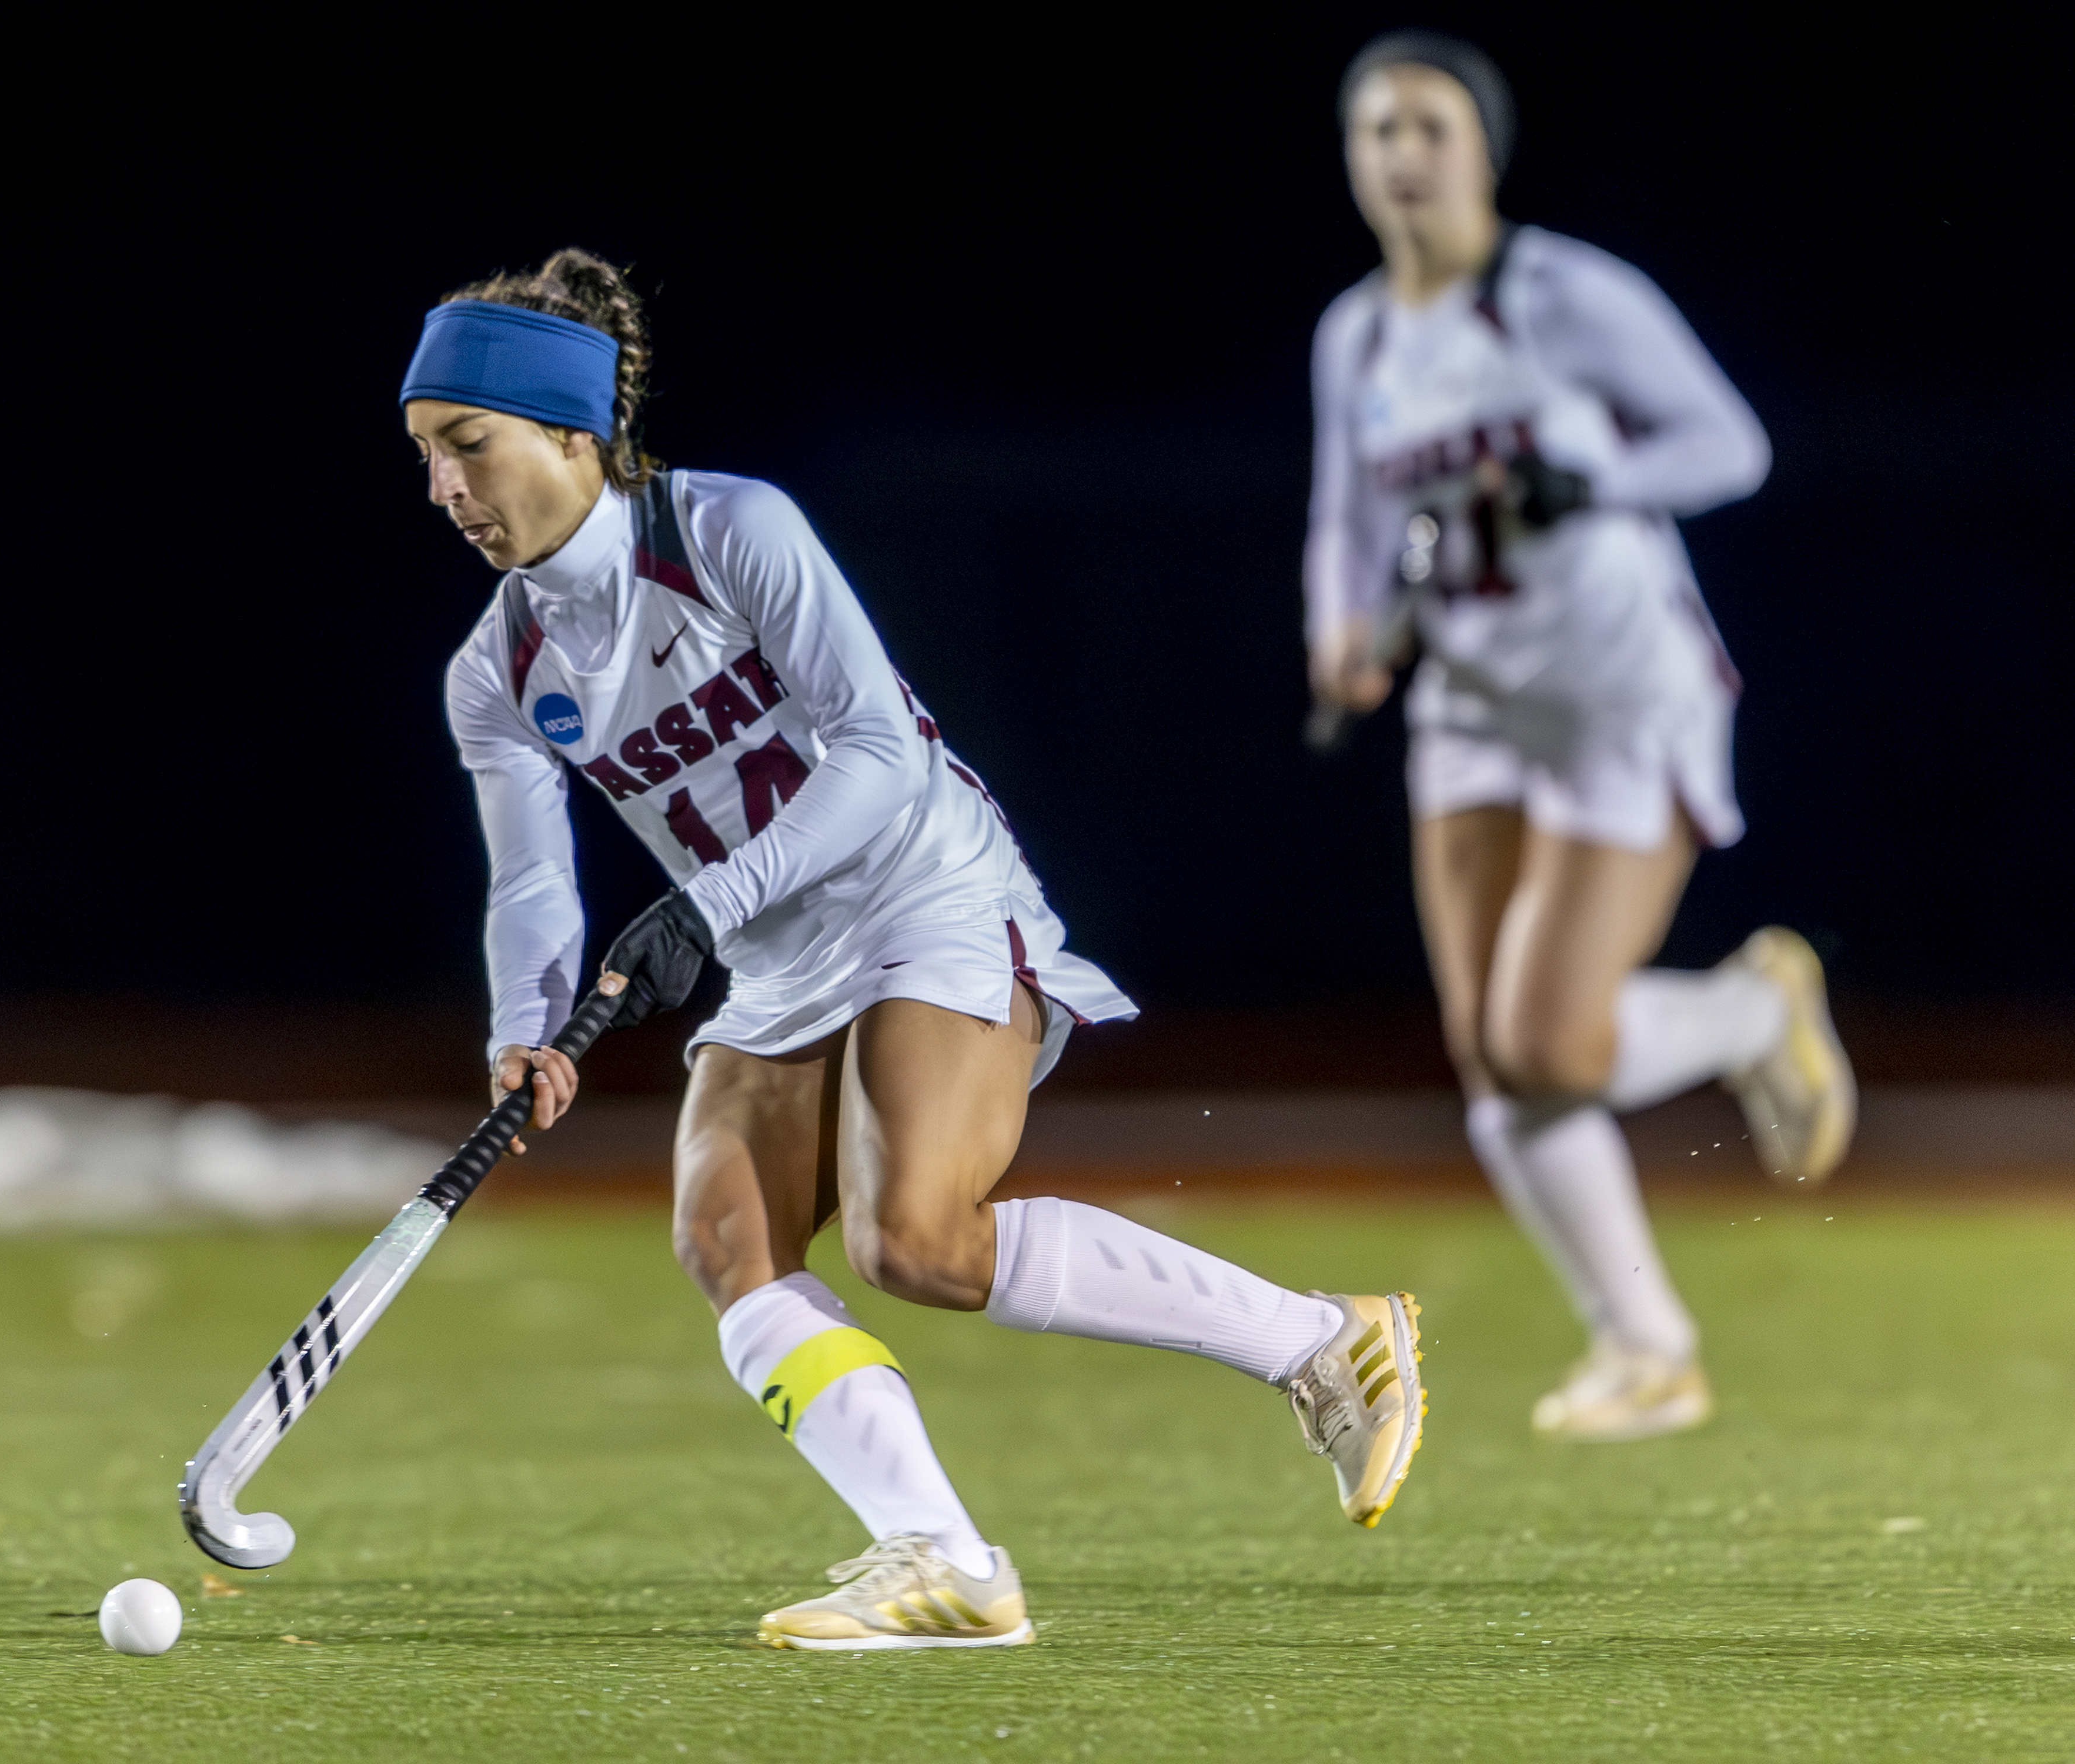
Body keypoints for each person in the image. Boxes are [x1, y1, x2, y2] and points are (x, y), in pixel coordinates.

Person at [409, 249, 1425, 1650]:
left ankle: (1322, 1340)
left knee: (915, 1238)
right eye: (426, 459)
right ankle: (948, 1561)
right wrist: (521, 1029)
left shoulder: (727, 532)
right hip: (777, 957)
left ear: (572, 435)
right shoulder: (496, 670)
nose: (445, 491)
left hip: (921, 889)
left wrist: (708, 902)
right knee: (727, 1245)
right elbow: (529, 882)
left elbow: (881, 752)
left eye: (469, 447)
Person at [1305, 32, 1857, 1444]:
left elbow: (1730, 447)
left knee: (1543, 1042)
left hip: (1621, 691)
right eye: (1377, 131)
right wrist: (1343, 630)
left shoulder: (1561, 295)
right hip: (1472, 711)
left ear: (1484, 149)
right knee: (1490, 1061)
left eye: (1429, 126)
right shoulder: (1358, 334)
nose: (1402, 154)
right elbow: (1348, 522)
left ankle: (1753, 1011)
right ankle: (1646, 1347)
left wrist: (1591, 474)